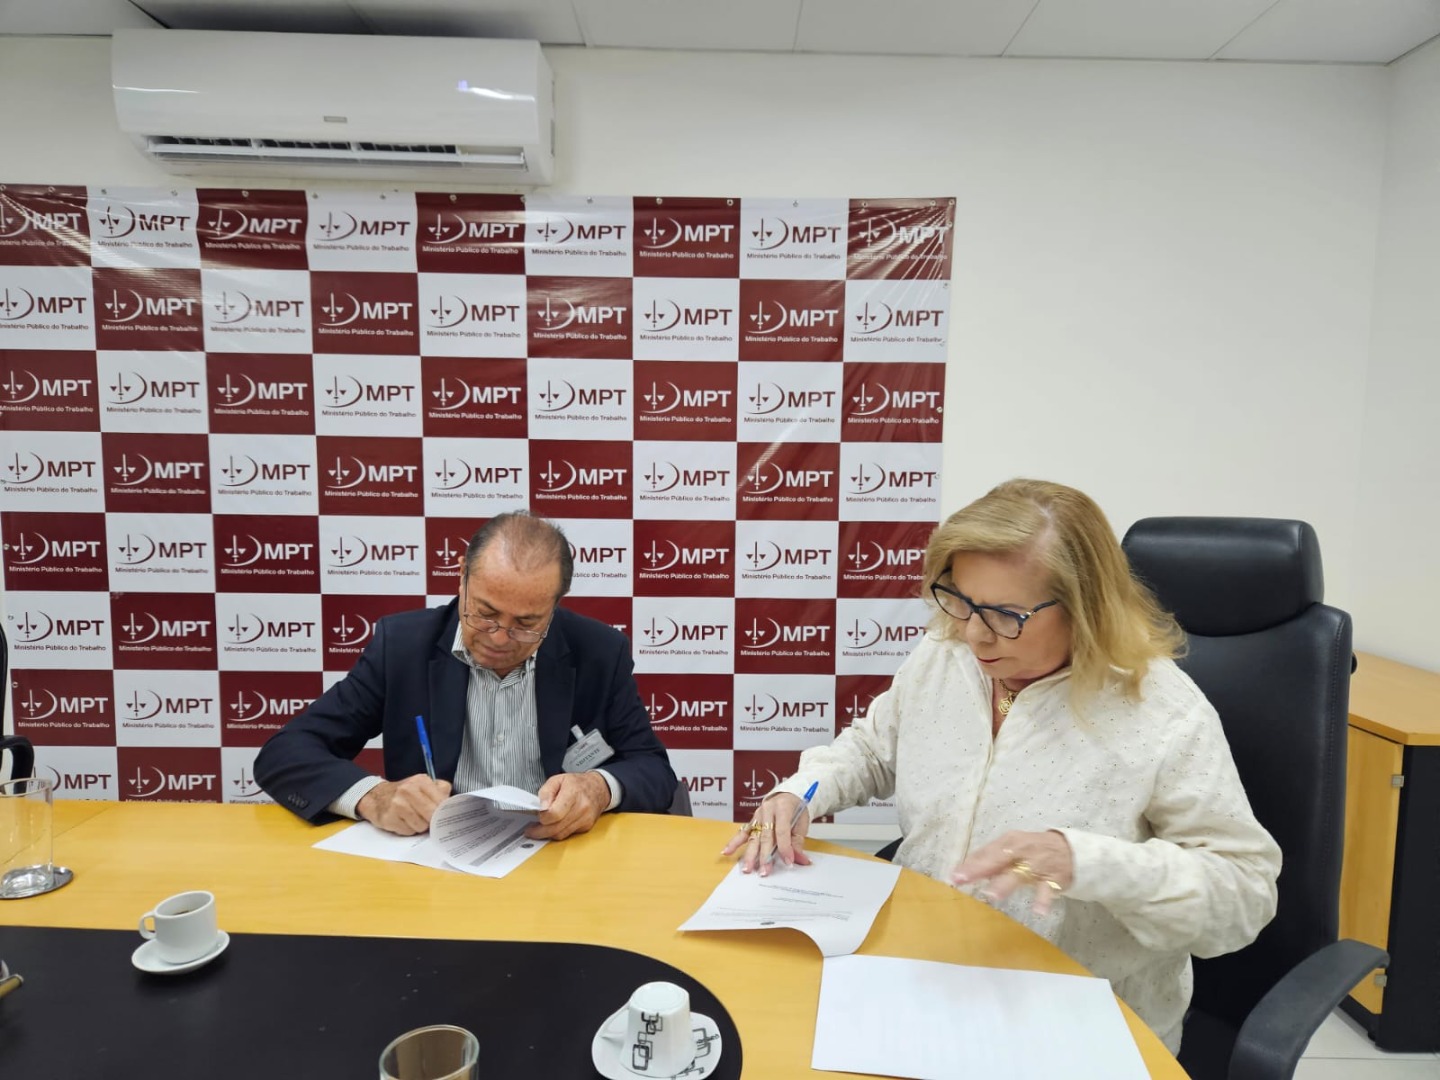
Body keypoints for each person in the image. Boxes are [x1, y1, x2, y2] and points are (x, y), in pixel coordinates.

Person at [724, 478, 1280, 1053]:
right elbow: (871, 748)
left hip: (1077, 1019)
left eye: (1005, 614)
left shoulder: (1163, 712)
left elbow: (1243, 894)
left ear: (1086, 606)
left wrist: (1085, 861)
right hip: (923, 977)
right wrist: (800, 793)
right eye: (962, 601)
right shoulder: (945, 654)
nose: (973, 634)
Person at [255, 511, 677, 840]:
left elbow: (653, 769)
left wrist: (598, 788)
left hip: (554, 859)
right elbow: (285, 753)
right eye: (485, 613)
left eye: (526, 623)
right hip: (434, 862)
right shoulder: (403, 647)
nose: (500, 637)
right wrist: (374, 796)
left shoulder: (598, 652)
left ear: (555, 605)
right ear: (461, 577)